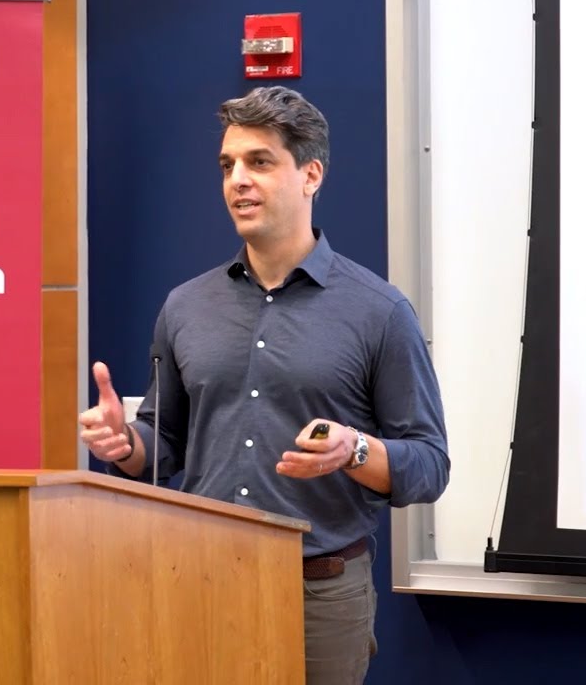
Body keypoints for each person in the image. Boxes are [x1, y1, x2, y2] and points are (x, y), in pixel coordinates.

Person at [78, 85, 450, 684]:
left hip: (319, 597)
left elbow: (429, 464)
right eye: (228, 165)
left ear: (311, 175)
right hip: (199, 580)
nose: (238, 180)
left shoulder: (379, 312)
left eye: (259, 162)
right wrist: (127, 444)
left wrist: (354, 450)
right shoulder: (185, 307)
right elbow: (163, 445)